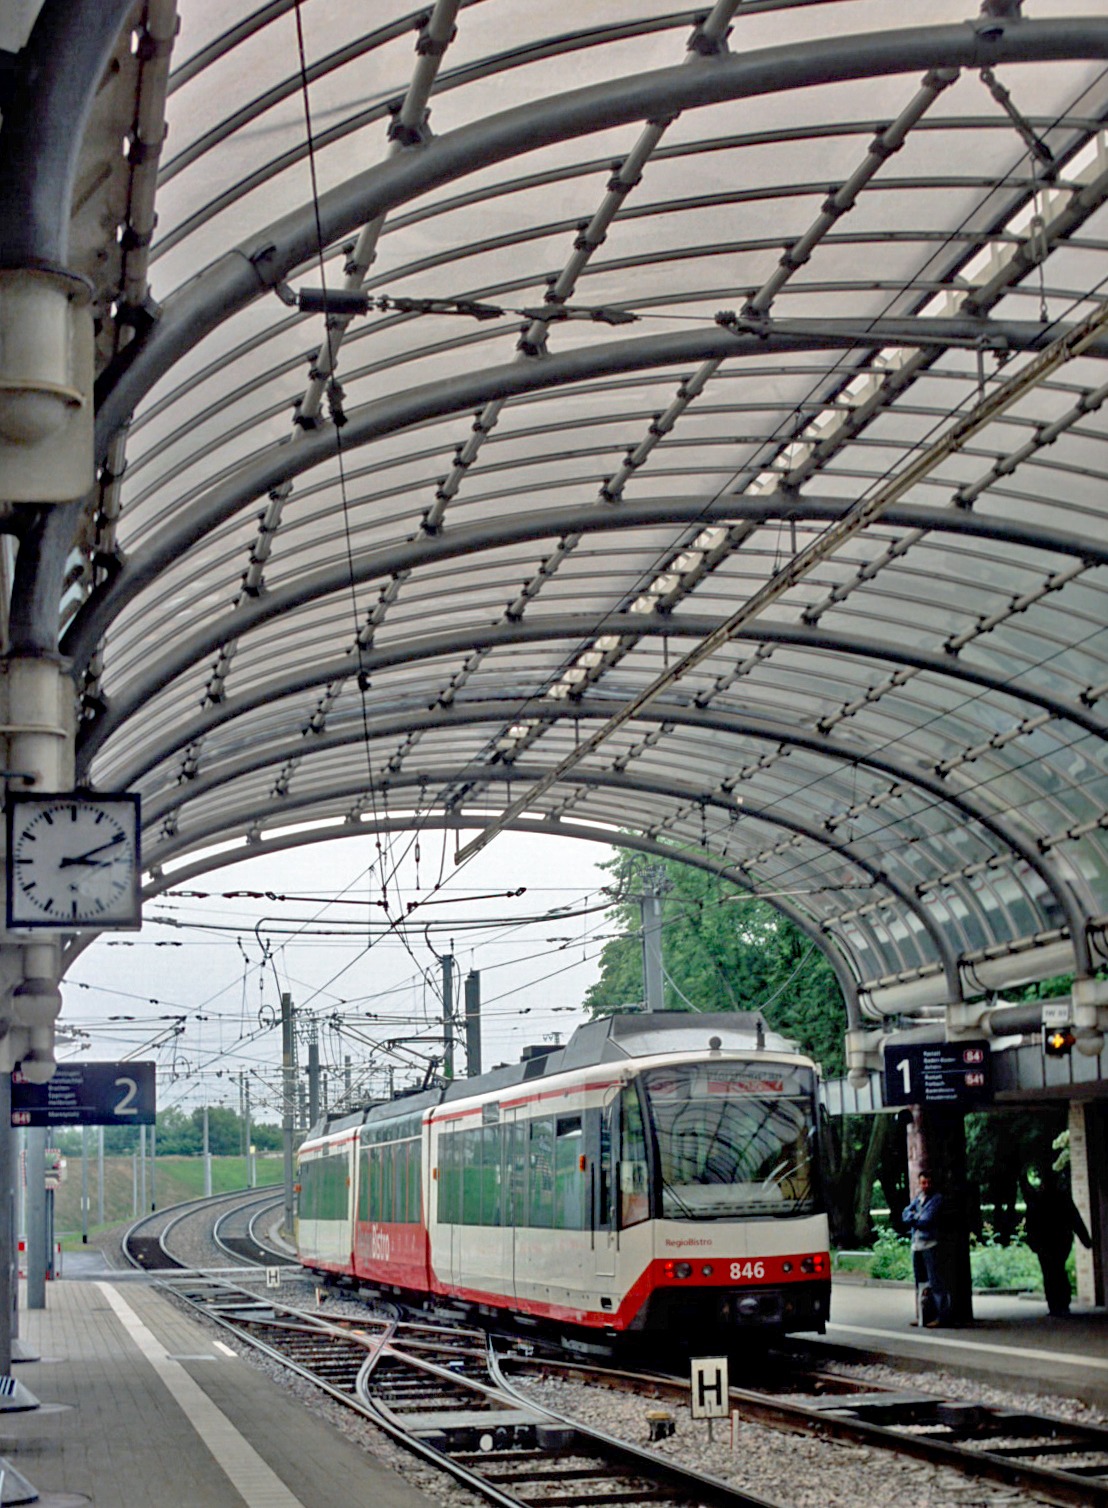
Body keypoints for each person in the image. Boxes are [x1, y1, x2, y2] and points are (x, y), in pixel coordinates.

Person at [1021, 1165, 1091, 1317]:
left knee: (1049, 1272)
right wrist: (1085, 1239)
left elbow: (1031, 1222)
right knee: (1058, 1269)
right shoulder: (1061, 1198)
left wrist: (1032, 1241)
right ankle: (1061, 1303)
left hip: (1046, 1242)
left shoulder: (1038, 1199)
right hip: (1060, 1240)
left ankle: (1055, 1304)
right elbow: (1075, 1219)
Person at [902, 1170, 948, 1327]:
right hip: (916, 1245)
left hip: (930, 1244)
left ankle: (941, 1317)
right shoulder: (918, 1198)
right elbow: (905, 1213)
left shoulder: (937, 1199)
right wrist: (915, 1217)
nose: (926, 1185)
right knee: (920, 1282)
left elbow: (927, 1220)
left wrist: (913, 1218)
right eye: (923, 1183)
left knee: (935, 1282)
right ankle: (923, 1316)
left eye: (928, 1182)